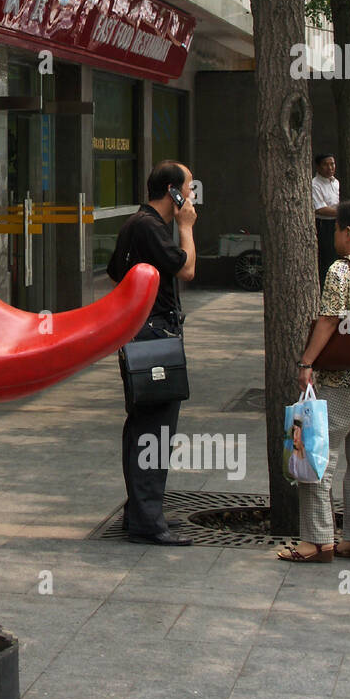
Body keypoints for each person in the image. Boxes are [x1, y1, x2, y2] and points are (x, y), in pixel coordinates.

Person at [280, 199, 350, 564]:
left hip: (347, 379)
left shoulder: (340, 270)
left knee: (313, 451)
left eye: (337, 228)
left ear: (348, 233)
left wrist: (306, 362)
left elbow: (328, 321)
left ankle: (317, 541)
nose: (334, 235)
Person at [108, 160, 197, 546]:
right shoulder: (150, 227)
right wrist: (186, 227)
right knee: (155, 430)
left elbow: (114, 270)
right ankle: (147, 520)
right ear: (172, 191)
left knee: (143, 425)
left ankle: (141, 511)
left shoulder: (136, 224)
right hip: (154, 337)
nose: (191, 196)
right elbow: (187, 269)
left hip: (142, 334)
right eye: (188, 188)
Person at [313, 154, 339, 287]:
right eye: (325, 164)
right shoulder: (315, 184)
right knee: (326, 259)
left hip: (337, 224)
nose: (330, 167)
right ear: (318, 167)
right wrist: (343, 212)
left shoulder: (336, 182)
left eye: (332, 164)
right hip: (323, 225)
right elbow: (320, 209)